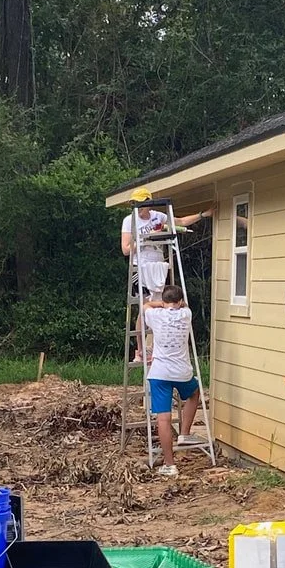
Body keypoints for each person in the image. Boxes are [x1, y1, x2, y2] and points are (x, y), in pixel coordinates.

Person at [121, 187, 214, 363]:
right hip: (140, 267)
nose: (138, 207)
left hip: (159, 266)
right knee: (145, 307)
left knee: (161, 305)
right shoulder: (129, 220)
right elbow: (126, 249)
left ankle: (156, 347)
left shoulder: (157, 216)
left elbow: (179, 221)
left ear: (148, 203)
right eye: (135, 204)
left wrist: (203, 214)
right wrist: (147, 237)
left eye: (141, 204)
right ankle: (139, 350)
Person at [144, 285, 202, 478]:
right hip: (181, 371)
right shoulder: (186, 314)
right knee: (194, 394)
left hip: (160, 372)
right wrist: (177, 303)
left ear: (164, 301)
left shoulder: (156, 315)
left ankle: (170, 464)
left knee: (163, 418)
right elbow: (182, 305)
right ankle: (184, 433)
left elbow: (145, 306)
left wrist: (158, 303)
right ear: (179, 302)